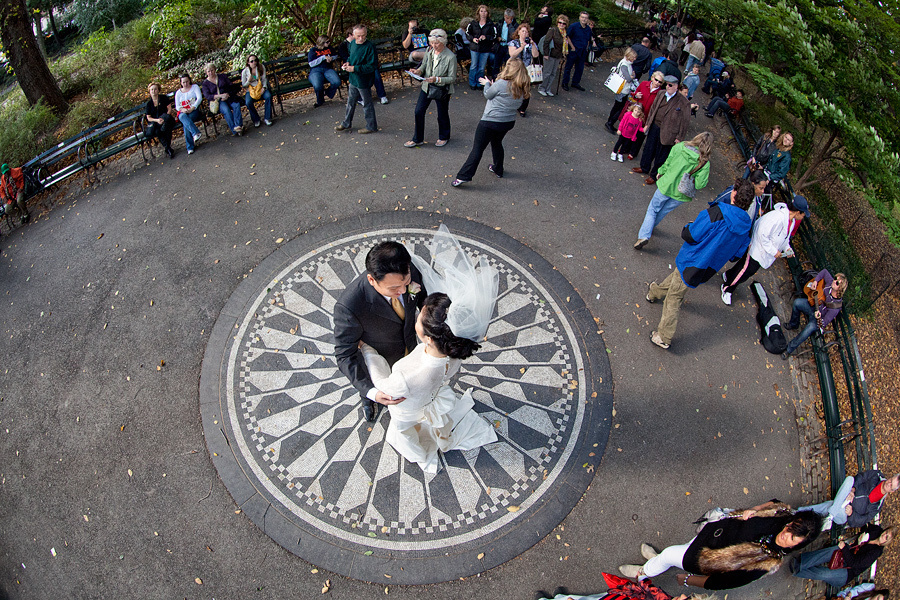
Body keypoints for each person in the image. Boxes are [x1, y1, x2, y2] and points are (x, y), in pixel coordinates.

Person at [359, 225, 499, 474]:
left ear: (425, 336)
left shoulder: (406, 376)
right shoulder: (453, 354)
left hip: (407, 411)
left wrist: (368, 351)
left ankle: (417, 449)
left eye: (419, 317)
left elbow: (382, 380)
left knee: (407, 435)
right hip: (430, 397)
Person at [643, 177, 753, 349]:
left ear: (734, 195)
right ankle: (655, 292)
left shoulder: (717, 212)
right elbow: (736, 256)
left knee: (675, 297)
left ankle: (664, 336)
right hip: (708, 267)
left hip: (693, 259)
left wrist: (688, 226)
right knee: (678, 279)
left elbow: (691, 234)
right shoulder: (747, 227)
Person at [333, 240, 427, 423]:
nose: (402, 291)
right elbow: (344, 355)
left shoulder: (408, 271)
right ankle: (367, 400)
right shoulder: (349, 306)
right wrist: (371, 391)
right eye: (393, 288)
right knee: (372, 388)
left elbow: (421, 297)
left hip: (409, 347)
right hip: (378, 359)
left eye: (405, 283)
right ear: (371, 280)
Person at [619, 505, 822, 589]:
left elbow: (724, 583)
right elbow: (772, 503)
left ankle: (642, 573)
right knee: (673, 551)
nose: (786, 535)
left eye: (794, 538)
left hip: (705, 558)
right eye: (790, 527)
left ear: (800, 544)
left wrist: (690, 579)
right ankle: (658, 559)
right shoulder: (782, 515)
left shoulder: (767, 562)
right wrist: (753, 510)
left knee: (671, 554)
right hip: (712, 533)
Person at [451, 59, 529, 186]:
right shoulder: (522, 86)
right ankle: (498, 169)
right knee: (497, 143)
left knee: (477, 149)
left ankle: (464, 176)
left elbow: (488, 94)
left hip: (489, 121)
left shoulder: (501, 83)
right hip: (507, 122)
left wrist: (487, 84)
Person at [720, 194, 809, 305]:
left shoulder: (791, 222)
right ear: (798, 212)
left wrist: (787, 248)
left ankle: (729, 275)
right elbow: (762, 233)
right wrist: (773, 251)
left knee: (744, 266)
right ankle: (727, 288)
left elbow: (785, 239)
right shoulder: (777, 217)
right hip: (758, 249)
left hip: (763, 252)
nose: (804, 216)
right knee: (746, 271)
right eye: (804, 213)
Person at [634, 132, 712, 250]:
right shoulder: (704, 162)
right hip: (681, 193)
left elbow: (668, 162)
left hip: (667, 184)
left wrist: (661, 171)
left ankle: (644, 235)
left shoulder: (680, 147)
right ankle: (650, 228)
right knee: (664, 210)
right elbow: (700, 184)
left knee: (653, 209)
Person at [792, 524, 894, 587]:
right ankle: (801, 563)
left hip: (848, 571)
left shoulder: (876, 553)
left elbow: (854, 563)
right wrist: (863, 533)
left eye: (887, 538)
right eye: (886, 533)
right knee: (833, 550)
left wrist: (844, 548)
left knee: (825, 573)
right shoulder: (877, 531)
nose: (884, 536)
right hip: (849, 552)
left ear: (887, 542)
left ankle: (799, 571)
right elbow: (865, 526)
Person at [404, 29, 456, 148]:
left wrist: (437, 79)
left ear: (443, 42)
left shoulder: (450, 57)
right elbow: (424, 65)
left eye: (437, 43)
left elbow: (452, 78)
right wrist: (418, 71)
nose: (434, 46)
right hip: (426, 86)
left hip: (442, 89)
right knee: (418, 111)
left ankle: (444, 137)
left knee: (442, 113)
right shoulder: (429, 50)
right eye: (432, 43)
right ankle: (417, 139)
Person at [633, 75, 690, 182]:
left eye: (670, 85)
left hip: (669, 132)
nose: (667, 87)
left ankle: (654, 175)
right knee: (648, 148)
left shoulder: (684, 102)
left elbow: (685, 122)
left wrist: (679, 137)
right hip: (655, 126)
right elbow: (653, 109)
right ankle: (644, 167)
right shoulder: (661, 93)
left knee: (661, 155)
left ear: (676, 87)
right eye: (666, 84)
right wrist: (648, 124)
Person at [781, 269, 847, 358]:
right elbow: (824, 272)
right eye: (835, 278)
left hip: (817, 319)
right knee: (797, 303)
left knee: (808, 329)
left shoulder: (835, 307)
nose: (834, 281)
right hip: (813, 307)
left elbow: (824, 322)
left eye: (837, 283)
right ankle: (794, 324)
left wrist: (818, 317)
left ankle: (788, 349)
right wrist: (816, 281)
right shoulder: (830, 283)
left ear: (840, 289)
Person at [803, 470, 900, 528]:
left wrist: (851, 513)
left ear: (892, 491)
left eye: (891, 485)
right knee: (850, 479)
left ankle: (801, 512)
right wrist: (853, 489)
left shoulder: (877, 507)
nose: (888, 483)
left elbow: (861, 521)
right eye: (891, 480)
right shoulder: (877, 475)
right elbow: (861, 477)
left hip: (845, 514)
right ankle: (829, 516)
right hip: (845, 495)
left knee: (833, 506)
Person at [335, 24, 379, 135]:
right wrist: (348, 63)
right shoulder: (352, 44)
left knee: (367, 103)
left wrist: (354, 68)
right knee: (350, 102)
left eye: (363, 36)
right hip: (353, 79)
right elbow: (351, 56)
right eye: (358, 36)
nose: (361, 38)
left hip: (363, 80)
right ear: (353, 35)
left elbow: (372, 66)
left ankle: (371, 126)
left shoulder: (370, 47)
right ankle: (346, 123)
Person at [626, 72, 665, 158]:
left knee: (640, 135)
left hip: (647, 117)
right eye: (656, 80)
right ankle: (626, 148)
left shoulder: (661, 93)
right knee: (630, 130)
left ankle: (633, 153)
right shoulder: (644, 84)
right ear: (652, 78)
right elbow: (635, 94)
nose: (657, 83)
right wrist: (636, 95)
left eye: (660, 82)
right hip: (636, 113)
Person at [201, 63, 243, 136]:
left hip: (228, 96)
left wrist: (227, 95)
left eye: (212, 70)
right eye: (208, 71)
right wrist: (220, 96)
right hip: (217, 100)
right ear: (206, 72)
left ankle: (238, 126)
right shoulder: (205, 83)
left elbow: (231, 86)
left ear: (215, 70)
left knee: (236, 105)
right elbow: (208, 96)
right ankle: (234, 130)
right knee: (226, 110)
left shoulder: (222, 76)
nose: (210, 73)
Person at [507, 22, 539, 116]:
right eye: (523, 31)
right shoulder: (513, 43)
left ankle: (522, 108)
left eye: (527, 32)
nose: (525, 33)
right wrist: (521, 47)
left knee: (526, 90)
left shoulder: (531, 43)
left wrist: (532, 44)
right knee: (513, 87)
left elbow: (536, 55)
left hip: (527, 69)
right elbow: (512, 55)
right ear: (519, 32)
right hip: (515, 68)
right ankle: (511, 105)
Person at [604, 48, 637, 134]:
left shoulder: (626, 63)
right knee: (619, 108)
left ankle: (610, 122)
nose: (634, 59)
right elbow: (629, 78)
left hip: (623, 89)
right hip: (622, 90)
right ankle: (610, 123)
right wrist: (632, 76)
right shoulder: (625, 65)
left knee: (617, 107)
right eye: (633, 57)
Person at [466, 5, 497, 90]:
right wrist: (473, 39)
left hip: (485, 49)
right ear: (478, 12)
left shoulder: (491, 24)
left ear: (488, 13)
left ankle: (480, 83)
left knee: (481, 67)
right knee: (473, 66)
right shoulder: (473, 23)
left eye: (485, 11)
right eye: (481, 11)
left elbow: (494, 36)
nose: (483, 13)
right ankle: (472, 83)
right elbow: (468, 33)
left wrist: (486, 37)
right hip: (475, 48)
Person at [143, 82, 176, 159]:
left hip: (167, 119)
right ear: (149, 91)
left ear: (158, 90)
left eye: (155, 89)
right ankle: (168, 148)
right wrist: (157, 120)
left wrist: (164, 118)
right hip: (157, 122)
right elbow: (149, 117)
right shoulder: (149, 104)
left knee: (167, 125)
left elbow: (169, 109)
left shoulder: (163, 98)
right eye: (152, 90)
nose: (153, 91)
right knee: (158, 131)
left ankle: (167, 148)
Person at [174, 73, 204, 155]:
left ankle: (190, 147)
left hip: (193, 110)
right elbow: (177, 106)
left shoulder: (195, 87)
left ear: (189, 80)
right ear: (181, 83)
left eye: (187, 81)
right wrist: (182, 109)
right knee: (183, 117)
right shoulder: (178, 93)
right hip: (183, 112)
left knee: (186, 123)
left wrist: (192, 107)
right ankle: (195, 133)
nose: (185, 84)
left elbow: (199, 98)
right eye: (183, 82)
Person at [538, 14, 567, 97]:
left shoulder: (565, 33)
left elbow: (564, 45)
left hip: (558, 55)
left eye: (563, 23)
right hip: (550, 55)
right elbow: (546, 42)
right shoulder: (553, 30)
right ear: (557, 23)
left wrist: (563, 55)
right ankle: (542, 88)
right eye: (560, 22)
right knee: (547, 73)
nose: (561, 24)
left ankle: (548, 89)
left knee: (553, 73)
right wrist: (546, 54)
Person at [308, 35, 342, 107]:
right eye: (327, 42)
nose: (329, 43)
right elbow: (311, 63)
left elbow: (335, 55)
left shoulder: (329, 48)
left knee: (337, 81)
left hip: (327, 68)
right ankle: (320, 101)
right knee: (317, 85)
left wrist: (330, 58)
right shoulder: (313, 50)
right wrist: (323, 58)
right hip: (316, 70)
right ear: (322, 42)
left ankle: (327, 92)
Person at [561, 11, 592, 91]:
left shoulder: (588, 29)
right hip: (574, 50)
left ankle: (575, 83)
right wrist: (572, 47)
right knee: (568, 67)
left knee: (579, 68)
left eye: (586, 18)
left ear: (588, 19)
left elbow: (588, 39)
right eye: (582, 17)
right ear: (579, 17)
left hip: (582, 51)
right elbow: (567, 37)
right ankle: (565, 83)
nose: (584, 19)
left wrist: (586, 48)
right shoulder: (573, 26)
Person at [241, 55, 273, 127]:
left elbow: (264, 79)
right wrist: (248, 81)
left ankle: (267, 118)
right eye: (251, 61)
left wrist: (264, 88)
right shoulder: (245, 72)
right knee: (248, 102)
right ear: (248, 63)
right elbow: (243, 85)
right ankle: (256, 119)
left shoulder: (261, 67)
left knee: (268, 96)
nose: (254, 62)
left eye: (255, 60)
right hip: (251, 90)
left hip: (261, 88)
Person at [494, 8, 518, 73]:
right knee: (496, 64)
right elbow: (495, 32)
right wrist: (498, 38)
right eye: (506, 18)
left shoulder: (515, 25)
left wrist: (510, 25)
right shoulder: (500, 23)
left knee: (508, 65)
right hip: (500, 46)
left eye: (509, 18)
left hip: (509, 47)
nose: (507, 20)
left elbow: (513, 35)